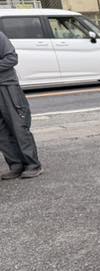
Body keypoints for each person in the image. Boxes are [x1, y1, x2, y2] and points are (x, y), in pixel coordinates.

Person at [0, 29, 42, 180]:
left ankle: (33, 164)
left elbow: (12, 58)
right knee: (1, 132)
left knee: (18, 126)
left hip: (6, 86)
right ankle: (15, 165)